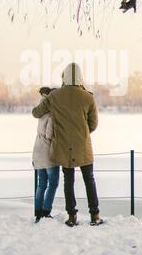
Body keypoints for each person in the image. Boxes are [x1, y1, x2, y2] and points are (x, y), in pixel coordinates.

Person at [32, 63, 104, 227]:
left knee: (68, 181)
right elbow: (93, 124)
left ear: (64, 77)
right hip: (83, 146)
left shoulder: (55, 96)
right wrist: (82, 133)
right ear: (80, 77)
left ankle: (72, 216)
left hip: (63, 146)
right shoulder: (88, 97)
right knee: (89, 179)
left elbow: (36, 113)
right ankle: (95, 215)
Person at [32, 86, 60, 223]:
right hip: (48, 152)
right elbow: (50, 135)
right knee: (53, 183)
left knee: (41, 184)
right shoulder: (52, 114)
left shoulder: (41, 112)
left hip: (37, 150)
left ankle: (38, 212)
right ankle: (46, 211)